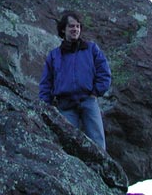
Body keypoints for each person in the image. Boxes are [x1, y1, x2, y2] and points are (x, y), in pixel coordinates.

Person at [39, 11, 112, 151]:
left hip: (88, 101)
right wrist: (45, 105)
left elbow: (104, 72)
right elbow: (46, 83)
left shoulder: (91, 49)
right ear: (63, 29)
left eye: (78, 26)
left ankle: (100, 173)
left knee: (98, 144)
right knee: (69, 146)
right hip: (65, 105)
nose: (75, 29)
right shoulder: (54, 55)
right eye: (71, 26)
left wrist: (95, 92)